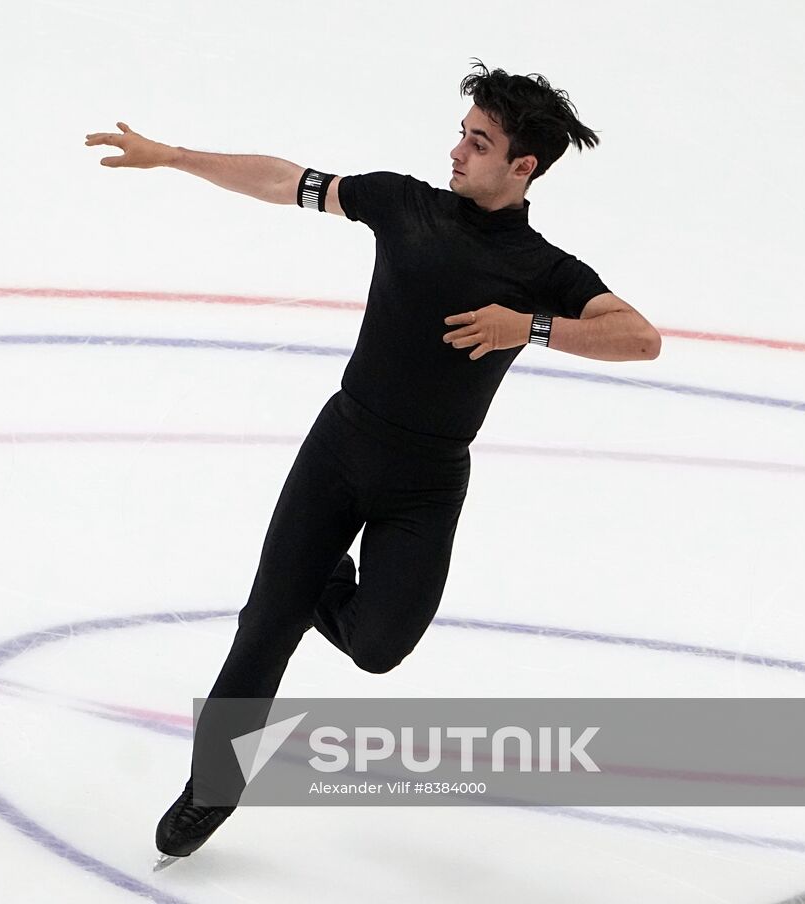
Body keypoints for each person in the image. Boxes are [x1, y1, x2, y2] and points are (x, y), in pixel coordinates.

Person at [84, 60, 661, 862]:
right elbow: (287, 180)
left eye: (479, 142)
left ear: (521, 167)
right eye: (463, 133)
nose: (456, 151)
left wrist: (526, 327)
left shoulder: (543, 271)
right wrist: (175, 156)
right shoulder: (402, 203)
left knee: (378, 647)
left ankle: (315, 575)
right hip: (341, 447)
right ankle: (213, 785)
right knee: (264, 629)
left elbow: (641, 338)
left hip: (426, 483)